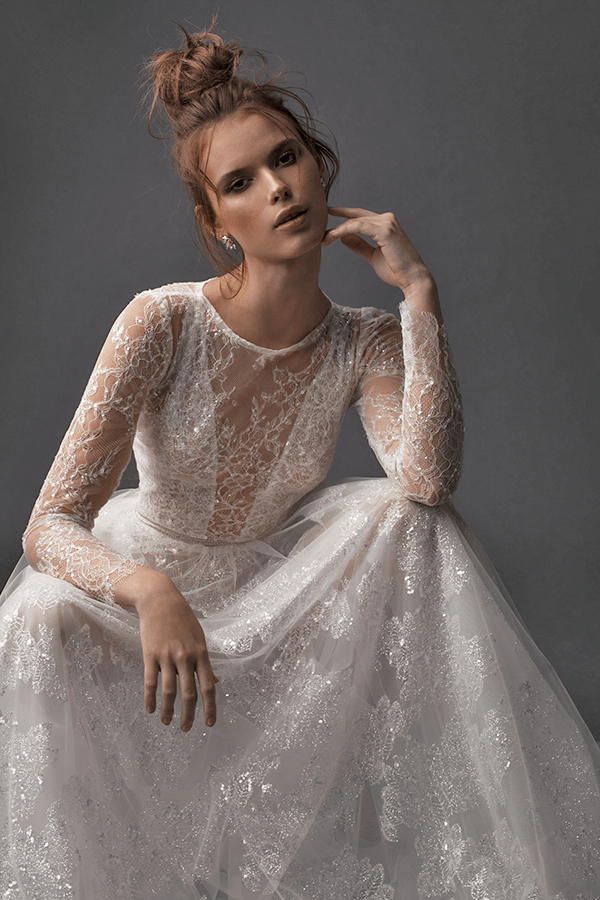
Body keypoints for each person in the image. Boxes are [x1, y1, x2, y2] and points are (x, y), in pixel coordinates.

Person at [0, 23, 599, 900]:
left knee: (407, 518)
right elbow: (48, 524)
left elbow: (428, 481)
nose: (277, 188)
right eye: (240, 182)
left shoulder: (363, 341)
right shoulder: (161, 321)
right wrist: (147, 589)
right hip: (151, 595)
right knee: (39, 613)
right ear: (217, 224)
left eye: (286, 159)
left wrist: (419, 294)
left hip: (280, 595)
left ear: (320, 166)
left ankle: (453, 858)